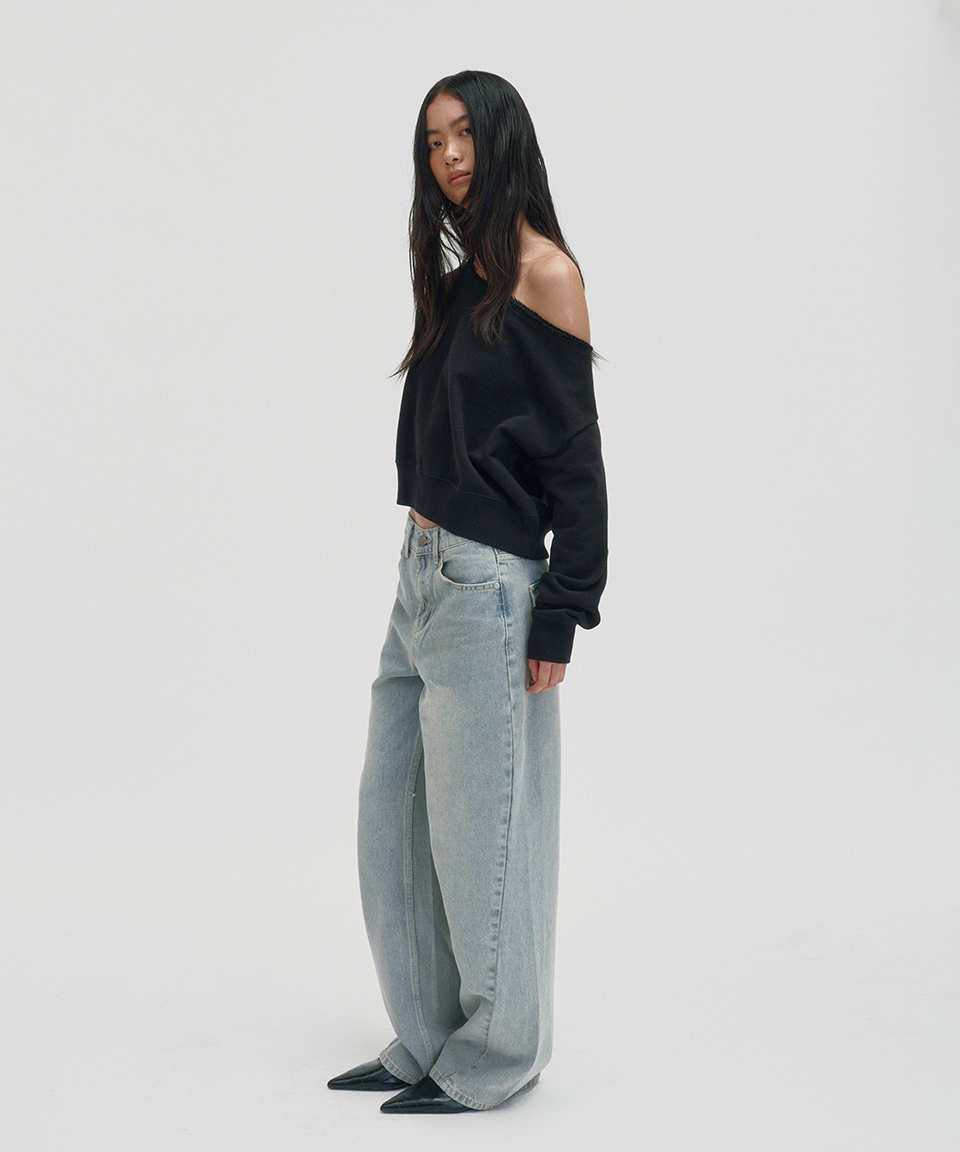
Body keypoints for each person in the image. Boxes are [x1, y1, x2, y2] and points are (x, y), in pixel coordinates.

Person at [327, 70, 608, 1114]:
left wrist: (563, 612)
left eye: (463, 135)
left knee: (483, 836)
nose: (447, 155)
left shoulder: (545, 273)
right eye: (432, 140)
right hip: (421, 581)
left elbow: (578, 465)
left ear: (503, 139)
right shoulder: (460, 284)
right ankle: (428, 1036)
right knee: (393, 823)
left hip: (489, 590)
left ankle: (496, 1058)